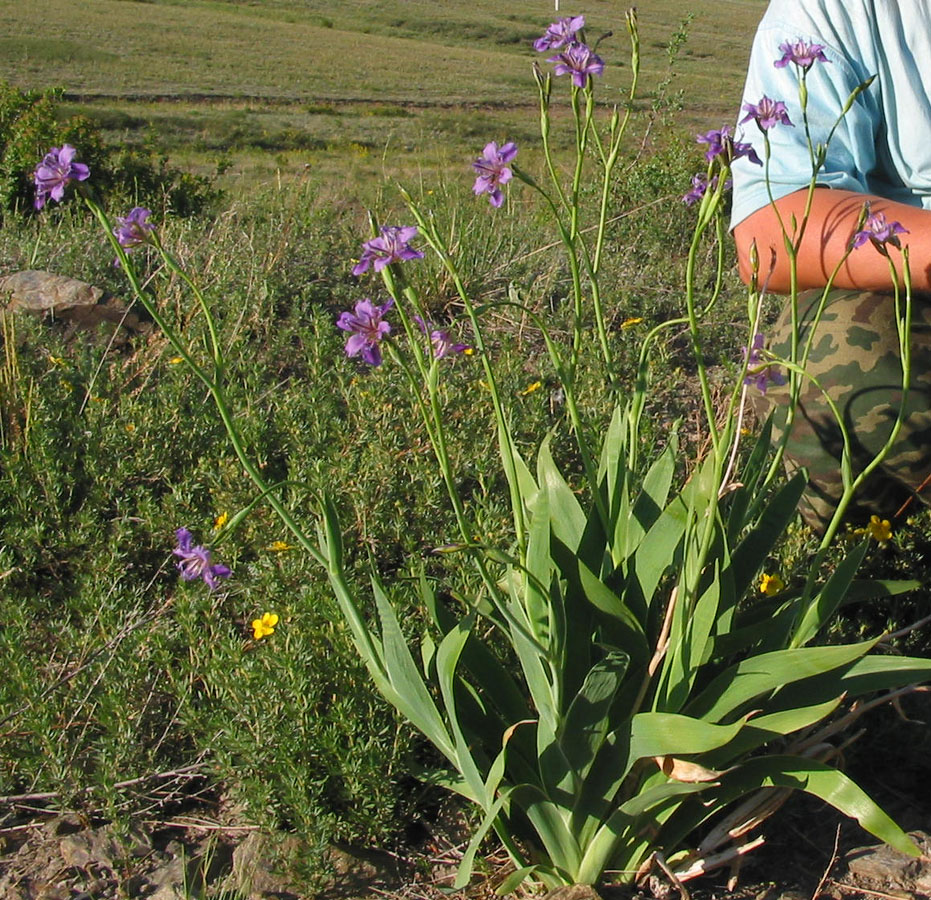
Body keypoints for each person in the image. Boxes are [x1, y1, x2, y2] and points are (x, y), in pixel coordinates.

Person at [730, 0, 931, 530]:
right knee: (826, 359)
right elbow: (770, 230)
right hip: (918, 280)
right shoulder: (829, 11)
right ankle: (877, 554)